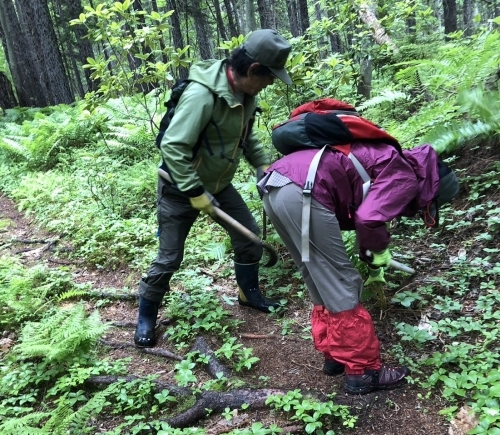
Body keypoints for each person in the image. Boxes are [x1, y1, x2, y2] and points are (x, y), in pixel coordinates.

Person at [259, 141, 459, 394]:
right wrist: (378, 251)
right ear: (432, 191)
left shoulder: (391, 162)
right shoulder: (405, 176)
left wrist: (370, 254)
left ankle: (335, 356)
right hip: (304, 190)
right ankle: (363, 371)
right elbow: (368, 219)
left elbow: (365, 215)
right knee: (342, 281)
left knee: (317, 274)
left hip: (276, 186)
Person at [135, 29, 292, 348]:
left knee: (248, 238)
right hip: (179, 188)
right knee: (169, 258)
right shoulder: (202, 95)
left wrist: (261, 165)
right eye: (268, 78)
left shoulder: (245, 94)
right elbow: (173, 146)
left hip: (218, 185)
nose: (270, 84)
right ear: (253, 69)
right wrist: (194, 192)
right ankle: (146, 315)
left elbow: (245, 135)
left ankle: (249, 294)